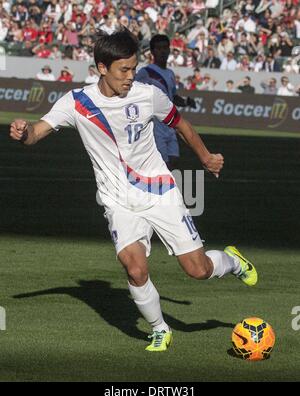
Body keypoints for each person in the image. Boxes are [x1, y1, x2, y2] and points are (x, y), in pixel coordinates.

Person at [10, 28, 258, 353]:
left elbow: (180, 124)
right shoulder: (76, 102)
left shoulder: (147, 95)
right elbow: (36, 133)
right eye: (123, 70)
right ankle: (159, 329)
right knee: (135, 267)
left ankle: (233, 262)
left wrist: (207, 157)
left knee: (197, 270)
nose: (130, 77)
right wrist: (23, 131)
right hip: (117, 201)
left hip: (160, 192)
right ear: (101, 67)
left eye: (133, 69)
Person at [135, 34, 195, 170]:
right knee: (162, 164)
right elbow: (133, 92)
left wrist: (186, 102)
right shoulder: (146, 72)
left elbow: (172, 97)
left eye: (165, 48)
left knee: (174, 161)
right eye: (158, 48)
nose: (162, 51)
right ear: (152, 52)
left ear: (169, 50)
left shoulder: (170, 74)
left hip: (169, 124)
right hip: (154, 124)